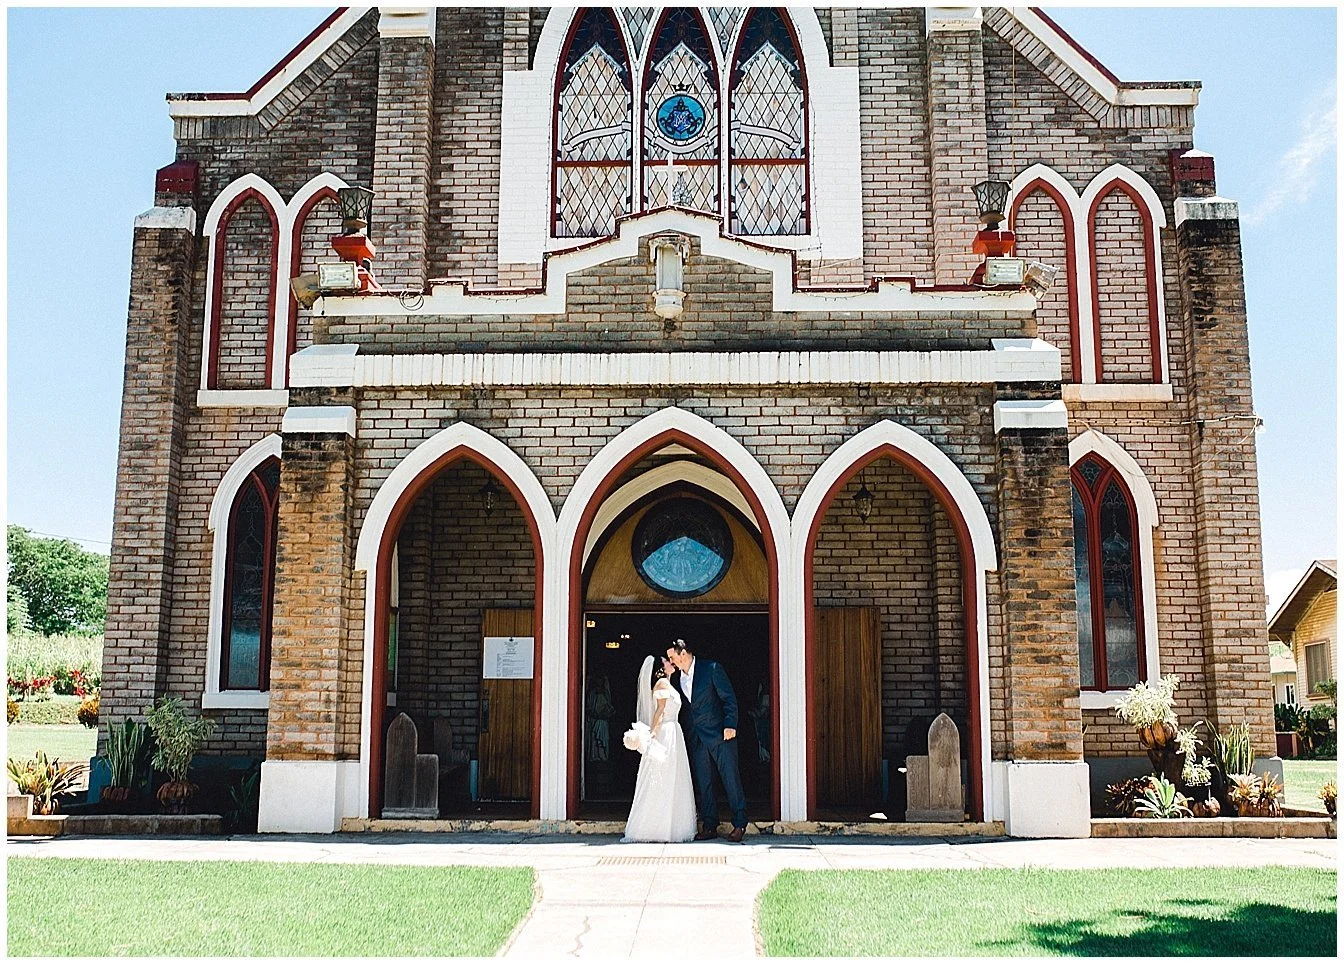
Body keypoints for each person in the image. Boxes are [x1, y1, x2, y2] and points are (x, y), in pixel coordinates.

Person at [666, 638, 749, 842]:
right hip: (696, 737)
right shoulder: (676, 679)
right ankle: (710, 825)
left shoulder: (711, 668)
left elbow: (728, 698)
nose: (670, 661)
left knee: (731, 779)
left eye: (672, 657)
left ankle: (739, 824)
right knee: (705, 782)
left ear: (682, 654)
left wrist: (730, 724)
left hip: (720, 734)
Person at [621, 655, 696, 843]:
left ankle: (671, 826)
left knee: (672, 777)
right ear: (660, 669)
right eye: (667, 661)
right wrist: (653, 734)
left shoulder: (668, 683)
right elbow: (660, 711)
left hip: (674, 731)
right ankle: (655, 827)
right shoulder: (662, 684)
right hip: (666, 733)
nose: (672, 662)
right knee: (663, 776)